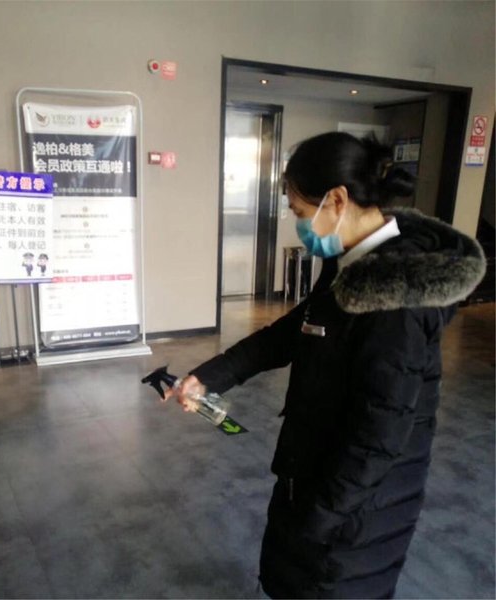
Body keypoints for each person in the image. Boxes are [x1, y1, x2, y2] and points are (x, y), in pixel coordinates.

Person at [166, 132, 486, 599]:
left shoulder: (393, 299)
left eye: (300, 212)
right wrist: (210, 376)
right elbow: (296, 330)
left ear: (336, 199)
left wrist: (319, 519)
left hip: (356, 510)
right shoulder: (351, 261)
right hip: (317, 472)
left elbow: (379, 436)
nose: (298, 225)